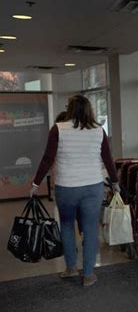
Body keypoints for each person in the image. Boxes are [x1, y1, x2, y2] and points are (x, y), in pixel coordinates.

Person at [31, 95, 120, 287]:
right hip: (92, 186)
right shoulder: (99, 130)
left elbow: (48, 158)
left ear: (70, 109)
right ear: (89, 109)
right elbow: (108, 159)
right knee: (90, 229)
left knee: (67, 226)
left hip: (66, 187)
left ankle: (71, 267)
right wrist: (115, 182)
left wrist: (36, 183)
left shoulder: (58, 129)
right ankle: (88, 274)